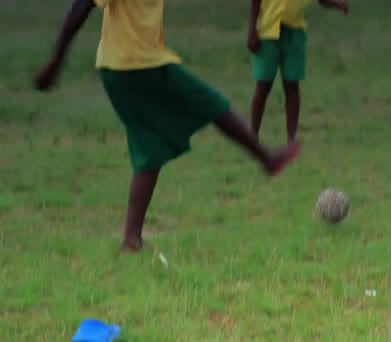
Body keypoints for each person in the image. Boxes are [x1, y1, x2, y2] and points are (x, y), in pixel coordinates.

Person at [33, 0, 302, 252]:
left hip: (126, 67)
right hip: (136, 65)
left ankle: (131, 237)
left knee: (151, 144)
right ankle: (266, 158)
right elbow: (80, 7)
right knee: (212, 103)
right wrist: (56, 62)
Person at [247, 0, 349, 143]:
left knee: (292, 85)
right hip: (267, 32)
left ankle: (291, 138)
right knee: (263, 86)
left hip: (294, 33)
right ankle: (252, 136)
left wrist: (337, 4)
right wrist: (252, 29)